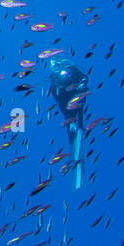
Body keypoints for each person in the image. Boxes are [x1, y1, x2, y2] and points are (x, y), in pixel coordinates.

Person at [48, 56, 90, 189]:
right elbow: (54, 94)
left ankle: (79, 130)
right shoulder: (54, 76)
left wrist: (82, 86)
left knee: (77, 116)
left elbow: (84, 78)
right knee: (69, 120)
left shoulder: (71, 68)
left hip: (77, 98)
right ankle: (74, 138)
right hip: (66, 104)